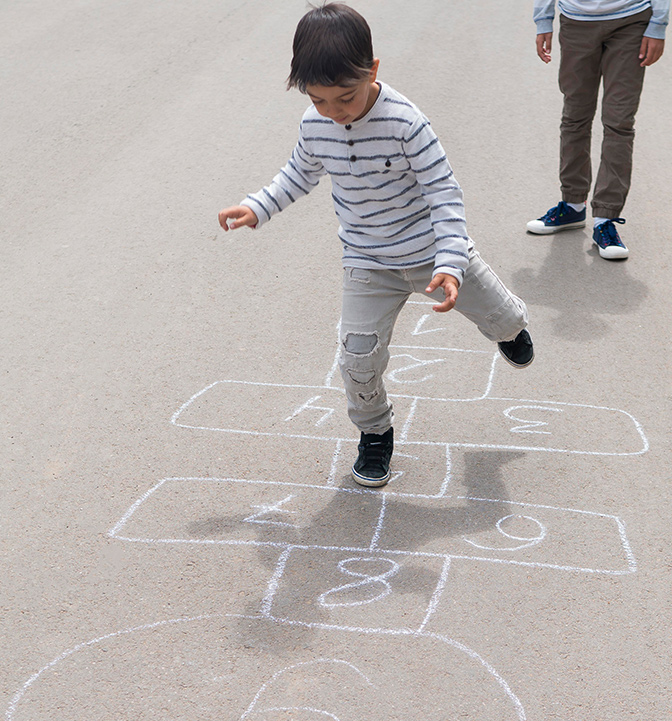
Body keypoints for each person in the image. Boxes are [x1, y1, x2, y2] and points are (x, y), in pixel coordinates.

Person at [219, 3, 533, 488]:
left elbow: (444, 194)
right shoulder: (315, 123)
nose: (334, 111)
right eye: (319, 99)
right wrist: (258, 206)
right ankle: (375, 433)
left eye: (345, 96)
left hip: (433, 255)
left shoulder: (406, 123)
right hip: (366, 261)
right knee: (357, 357)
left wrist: (450, 263)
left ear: (373, 71)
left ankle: (510, 328)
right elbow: (300, 172)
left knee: (505, 319)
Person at [527, 0, 668, 259]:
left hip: (631, 21)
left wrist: (658, 24)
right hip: (576, 21)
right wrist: (543, 19)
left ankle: (605, 218)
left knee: (619, 122)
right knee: (575, 116)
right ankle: (572, 204)